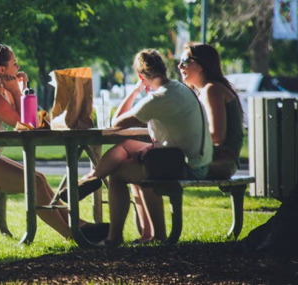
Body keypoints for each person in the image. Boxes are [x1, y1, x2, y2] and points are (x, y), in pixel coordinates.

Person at [0, 39, 106, 240]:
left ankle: (79, 225)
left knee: (39, 179)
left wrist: (21, 89)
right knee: (35, 184)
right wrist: (17, 91)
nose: (18, 67)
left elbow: (29, 120)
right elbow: (25, 125)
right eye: (14, 63)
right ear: (2, 69)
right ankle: (74, 236)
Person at [57, 49, 212, 245]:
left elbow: (117, 122)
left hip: (187, 166)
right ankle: (93, 178)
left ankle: (115, 237)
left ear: (141, 76)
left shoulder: (158, 98)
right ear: (163, 68)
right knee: (127, 145)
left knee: (119, 175)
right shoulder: (180, 88)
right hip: (192, 159)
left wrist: (137, 89)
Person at [179, 43, 244, 180]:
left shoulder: (212, 90)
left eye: (185, 61)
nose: (180, 66)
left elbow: (217, 136)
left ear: (201, 65)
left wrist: (182, 141)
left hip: (223, 162)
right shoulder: (205, 91)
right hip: (213, 158)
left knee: (157, 169)